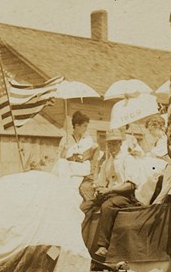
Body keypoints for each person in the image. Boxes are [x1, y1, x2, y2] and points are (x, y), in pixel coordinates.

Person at [91, 130, 142, 262]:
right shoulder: (107, 163)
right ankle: (85, 243)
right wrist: (98, 189)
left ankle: (103, 246)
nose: (112, 148)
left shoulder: (128, 160)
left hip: (126, 196)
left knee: (107, 206)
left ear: (120, 144)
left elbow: (130, 185)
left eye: (114, 144)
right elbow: (101, 181)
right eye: (109, 145)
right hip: (110, 194)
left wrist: (109, 190)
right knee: (86, 207)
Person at [52, 111, 98, 196]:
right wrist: (66, 152)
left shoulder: (87, 139)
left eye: (86, 126)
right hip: (69, 169)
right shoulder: (66, 139)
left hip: (82, 168)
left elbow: (93, 154)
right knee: (68, 182)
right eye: (84, 126)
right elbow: (59, 159)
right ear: (77, 126)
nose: (86, 129)